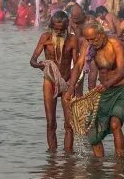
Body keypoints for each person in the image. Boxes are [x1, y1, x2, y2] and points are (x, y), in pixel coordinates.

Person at [65, 21, 124, 158]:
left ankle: (120, 163)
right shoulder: (88, 45)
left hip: (122, 89)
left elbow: (123, 70)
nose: (92, 42)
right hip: (103, 92)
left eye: (94, 39)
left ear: (101, 34)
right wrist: (71, 88)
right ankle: (98, 165)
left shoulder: (114, 43)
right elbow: (78, 66)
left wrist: (107, 84)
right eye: (88, 39)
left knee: (115, 123)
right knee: (93, 134)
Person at [29, 11, 80, 152]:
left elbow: (77, 64)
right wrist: (40, 65)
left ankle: (68, 156)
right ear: (51, 26)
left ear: (66, 27)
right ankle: (52, 157)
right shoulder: (45, 37)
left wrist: (74, 84)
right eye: (56, 29)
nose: (58, 32)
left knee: (69, 124)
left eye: (61, 29)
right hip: (49, 82)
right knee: (51, 122)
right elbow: (32, 60)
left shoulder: (72, 40)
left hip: (67, 82)